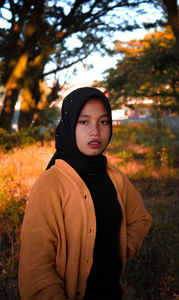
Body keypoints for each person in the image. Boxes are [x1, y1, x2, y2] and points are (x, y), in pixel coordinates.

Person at [18, 87, 152, 300]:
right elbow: (36, 269)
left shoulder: (115, 178)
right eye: (84, 122)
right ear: (69, 125)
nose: (95, 131)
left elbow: (141, 219)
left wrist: (121, 247)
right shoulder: (51, 184)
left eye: (103, 121)